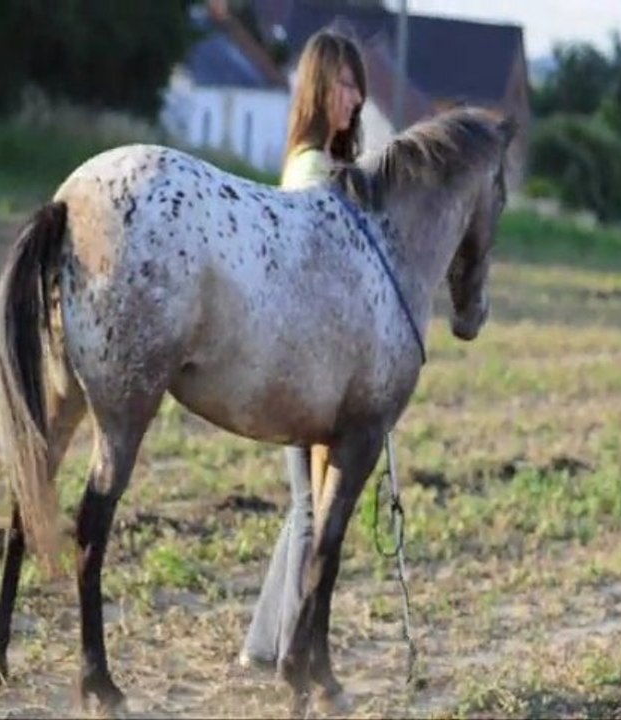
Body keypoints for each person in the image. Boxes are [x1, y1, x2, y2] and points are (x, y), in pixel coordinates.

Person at [239, 27, 367, 672]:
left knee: (302, 508)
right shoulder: (315, 174)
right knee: (315, 513)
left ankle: (264, 645)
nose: (355, 100)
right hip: (307, 372)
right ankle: (290, 650)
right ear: (318, 88)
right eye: (344, 85)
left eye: (357, 87)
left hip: (310, 368)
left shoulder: (320, 166)